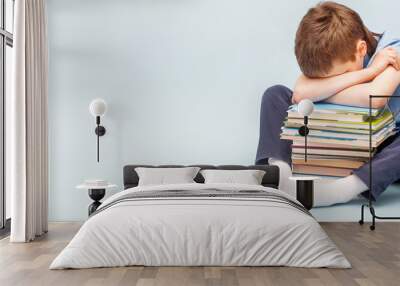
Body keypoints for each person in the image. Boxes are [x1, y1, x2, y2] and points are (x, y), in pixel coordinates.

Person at [256, 1, 400, 206]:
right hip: (343, 141)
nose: (335, 82)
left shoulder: (393, 52)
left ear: (361, 49)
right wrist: (370, 72)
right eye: (326, 80)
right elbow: (300, 92)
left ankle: (346, 188)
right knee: (275, 94)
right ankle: (280, 172)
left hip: (387, 148)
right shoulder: (357, 62)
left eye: (341, 75)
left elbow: (375, 98)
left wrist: (321, 91)